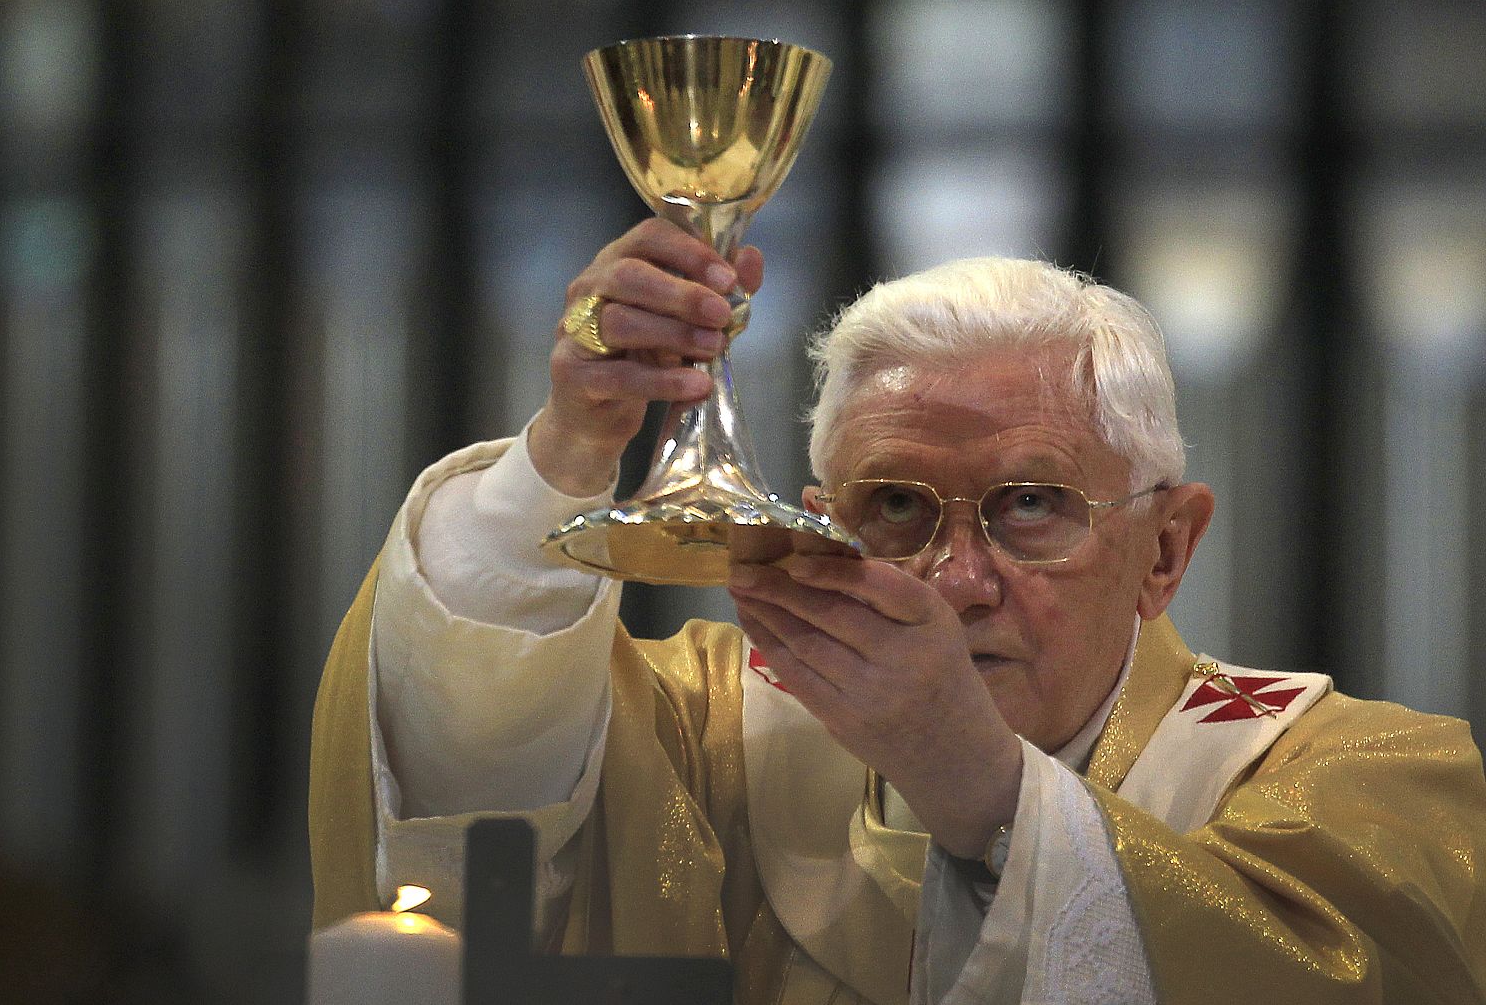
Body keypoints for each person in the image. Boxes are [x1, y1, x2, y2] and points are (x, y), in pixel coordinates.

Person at [309, 219, 1486, 1004]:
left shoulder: (1365, 783)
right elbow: (461, 779)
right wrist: (572, 445)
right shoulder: (708, 736)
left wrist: (970, 777)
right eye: (895, 508)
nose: (956, 578)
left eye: (1030, 504)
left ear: (1165, 546)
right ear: (823, 517)